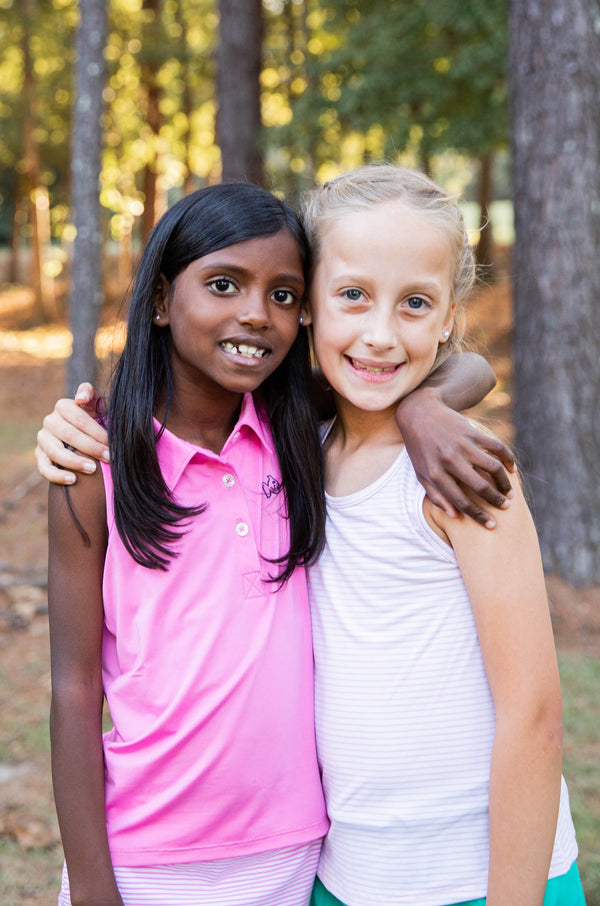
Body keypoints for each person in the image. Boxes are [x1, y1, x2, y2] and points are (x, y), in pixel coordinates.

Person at [41, 181, 513, 906]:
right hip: (141, 860)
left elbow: (464, 366)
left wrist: (424, 406)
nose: (256, 314)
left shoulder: (295, 426)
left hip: (291, 858)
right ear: (163, 300)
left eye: (286, 295)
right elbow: (75, 690)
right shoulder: (93, 463)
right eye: (224, 285)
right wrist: (95, 889)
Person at [299, 164, 584, 906]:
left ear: (450, 317)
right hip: (347, 877)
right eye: (353, 295)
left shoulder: (462, 473)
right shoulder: (298, 449)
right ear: (307, 305)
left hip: (479, 880)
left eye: (415, 303)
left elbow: (533, 715)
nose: (381, 333)